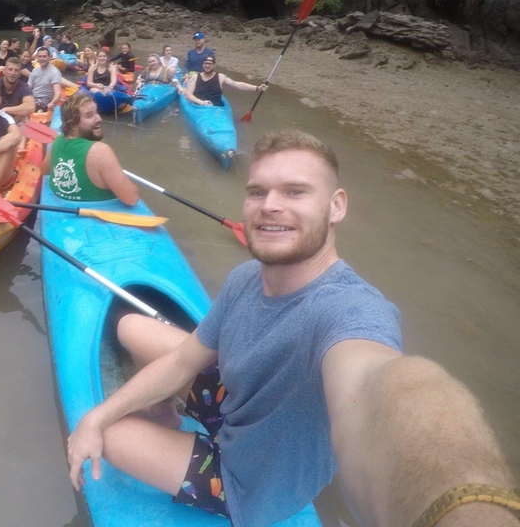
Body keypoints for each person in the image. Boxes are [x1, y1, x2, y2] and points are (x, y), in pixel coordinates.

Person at [66, 130, 519, 527]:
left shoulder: (351, 311)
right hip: (240, 409)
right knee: (131, 329)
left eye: (295, 192)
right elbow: (185, 360)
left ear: (336, 206)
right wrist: (98, 412)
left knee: (111, 437)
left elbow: (386, 388)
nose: (271, 207)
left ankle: (173, 437)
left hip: (251, 479)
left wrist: (469, 507)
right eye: (257, 192)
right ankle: (166, 416)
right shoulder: (246, 277)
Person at [42, 92, 139, 205]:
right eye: (89, 116)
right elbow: (131, 199)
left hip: (64, 210)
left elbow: (44, 171)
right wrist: (133, 186)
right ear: (73, 125)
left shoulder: (57, 141)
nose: (99, 118)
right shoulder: (101, 152)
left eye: (96, 112)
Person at [179, 52, 265, 106]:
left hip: (217, 109)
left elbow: (237, 84)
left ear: (214, 65)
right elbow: (188, 94)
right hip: (198, 106)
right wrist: (201, 102)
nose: (207, 65)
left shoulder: (221, 77)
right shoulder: (195, 77)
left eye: (210, 63)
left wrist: (257, 88)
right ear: (202, 65)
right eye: (205, 63)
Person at [28, 46, 63, 112]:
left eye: (44, 56)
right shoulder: (34, 71)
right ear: (37, 57)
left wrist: (51, 103)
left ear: (49, 57)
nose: (42, 59)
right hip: (34, 98)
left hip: (45, 100)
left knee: (37, 108)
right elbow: (28, 88)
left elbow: (57, 93)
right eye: (40, 56)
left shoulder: (54, 72)